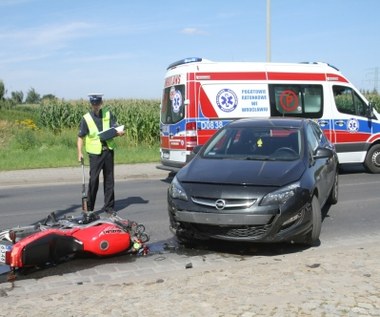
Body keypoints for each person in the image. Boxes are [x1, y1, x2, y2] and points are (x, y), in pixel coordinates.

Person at [77, 93, 124, 215]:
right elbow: (80, 137)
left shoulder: (108, 114)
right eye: (93, 104)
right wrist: (79, 152)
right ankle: (89, 208)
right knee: (93, 181)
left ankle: (109, 207)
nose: (96, 106)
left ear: (101, 103)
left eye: (97, 104)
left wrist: (119, 132)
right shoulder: (86, 118)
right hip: (94, 154)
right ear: (91, 104)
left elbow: (116, 127)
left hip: (108, 150)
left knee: (109, 180)